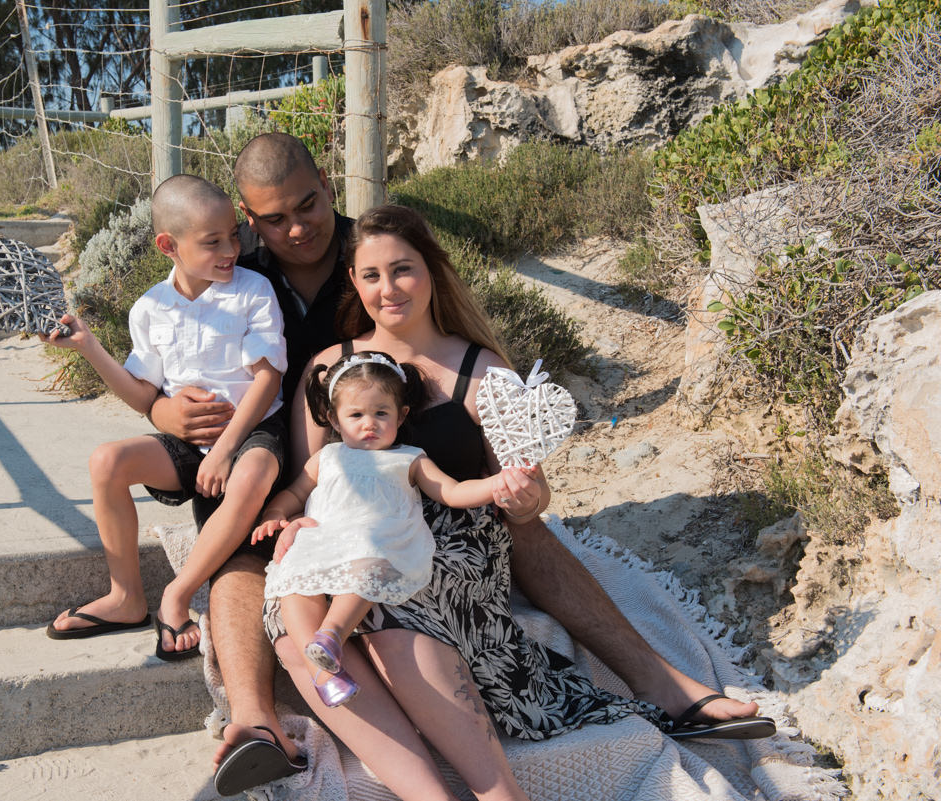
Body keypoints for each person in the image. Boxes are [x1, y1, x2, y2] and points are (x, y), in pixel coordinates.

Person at [144, 134, 768, 795]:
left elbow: (517, 485)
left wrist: (520, 495)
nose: (297, 227)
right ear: (247, 217)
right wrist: (169, 418)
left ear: (328, 184)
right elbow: (196, 374)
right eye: (275, 218)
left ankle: (649, 689)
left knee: (441, 560)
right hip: (271, 448)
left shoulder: (390, 267)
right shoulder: (233, 271)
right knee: (267, 558)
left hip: (432, 511)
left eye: (308, 205)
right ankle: (258, 722)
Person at [42, 174, 288, 662]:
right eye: (212, 241)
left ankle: (177, 594)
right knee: (107, 461)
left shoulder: (252, 291)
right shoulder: (150, 308)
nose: (230, 250)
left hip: (253, 431)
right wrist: (88, 346)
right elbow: (142, 393)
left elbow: (268, 380)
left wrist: (223, 451)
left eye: (234, 236)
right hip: (188, 443)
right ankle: (125, 596)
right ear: (167, 245)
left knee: (253, 472)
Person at [253, 351, 528, 708]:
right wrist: (276, 514)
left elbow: (452, 491)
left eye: (381, 413)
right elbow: (295, 492)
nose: (369, 424)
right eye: (356, 415)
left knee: (370, 563)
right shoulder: (327, 458)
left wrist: (497, 483)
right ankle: (322, 673)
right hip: (324, 534)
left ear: (402, 416)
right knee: (291, 580)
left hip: (379, 537)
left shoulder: (409, 458)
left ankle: (332, 633)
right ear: (334, 421)